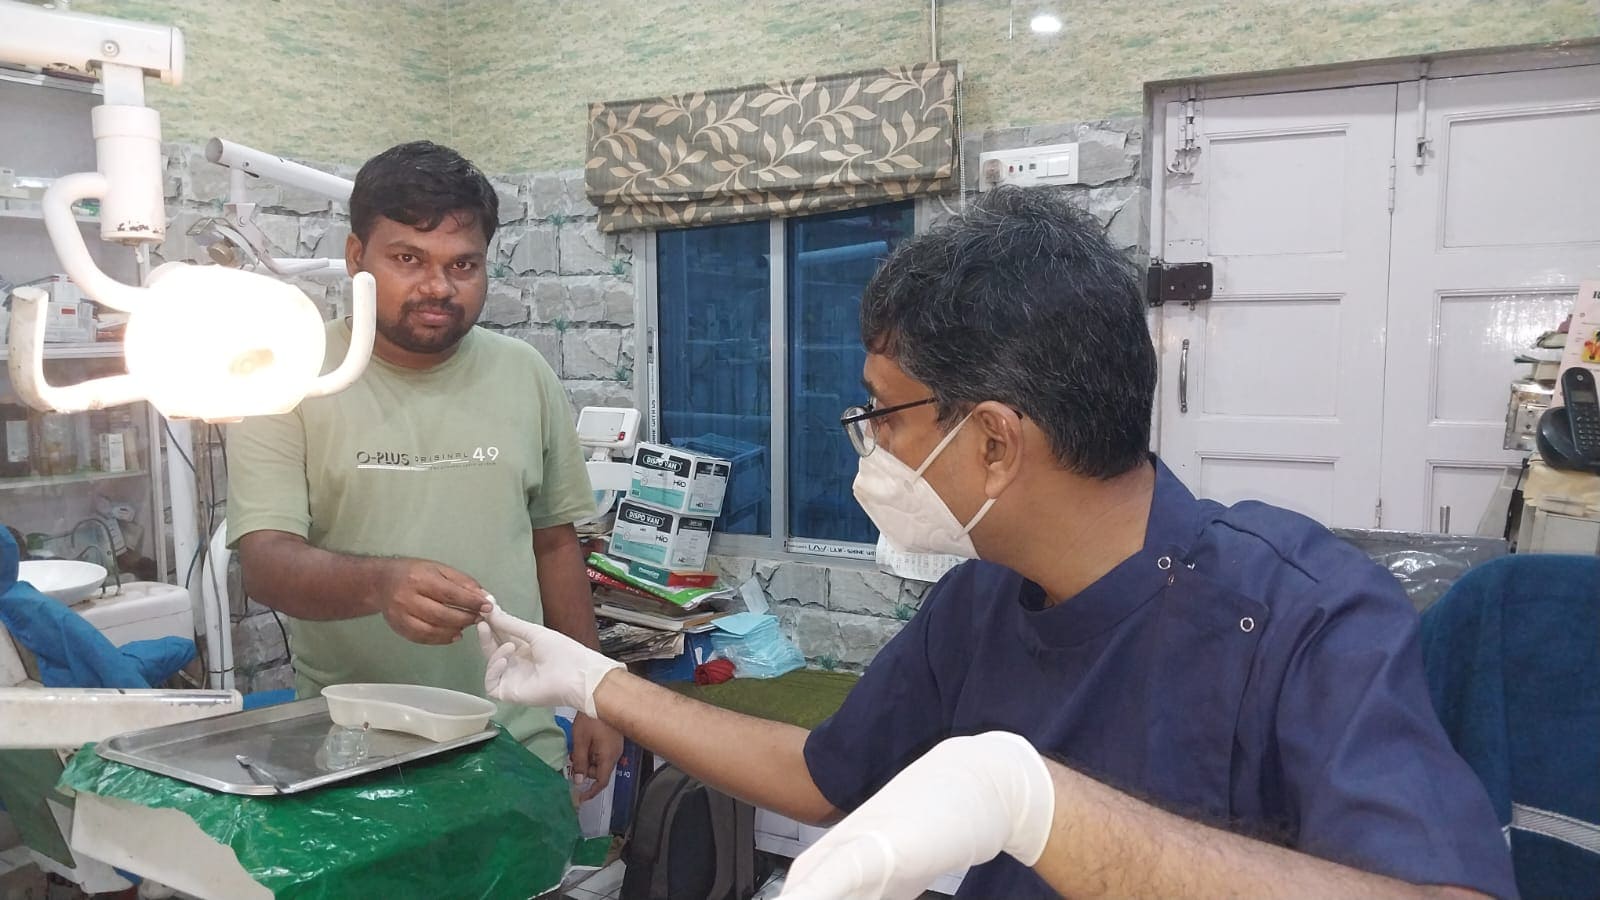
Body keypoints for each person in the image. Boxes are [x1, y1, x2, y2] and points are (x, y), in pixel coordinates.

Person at [476, 186, 1516, 898]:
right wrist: (596, 681)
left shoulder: (1298, 614)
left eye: (883, 412)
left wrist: (1040, 807)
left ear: (992, 442)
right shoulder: (982, 597)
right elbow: (828, 774)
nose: (868, 442)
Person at [226, 141, 621, 795]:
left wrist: (595, 695)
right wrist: (381, 585)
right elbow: (265, 563)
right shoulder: (290, 377)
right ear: (358, 258)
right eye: (409, 259)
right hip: (356, 750)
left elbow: (555, 545)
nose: (438, 286)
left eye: (462, 264)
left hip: (517, 747)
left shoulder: (524, 374)